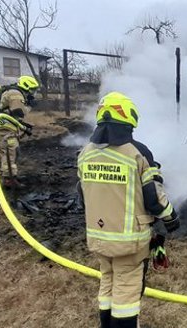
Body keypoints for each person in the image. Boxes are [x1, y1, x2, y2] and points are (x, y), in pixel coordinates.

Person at [77, 92, 180, 328]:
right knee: (126, 292)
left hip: (98, 236)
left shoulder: (85, 153)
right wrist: (171, 217)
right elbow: (154, 198)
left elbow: (82, 196)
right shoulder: (137, 152)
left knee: (107, 280)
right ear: (129, 118)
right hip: (129, 240)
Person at [0, 75, 39, 187]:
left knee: (13, 151)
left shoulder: (15, 92)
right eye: (32, 89)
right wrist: (29, 105)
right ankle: (8, 179)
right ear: (27, 87)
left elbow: (15, 116)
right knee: (10, 151)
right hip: (5, 128)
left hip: (8, 126)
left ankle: (11, 176)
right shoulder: (15, 94)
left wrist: (24, 125)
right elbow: (19, 112)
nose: (33, 93)